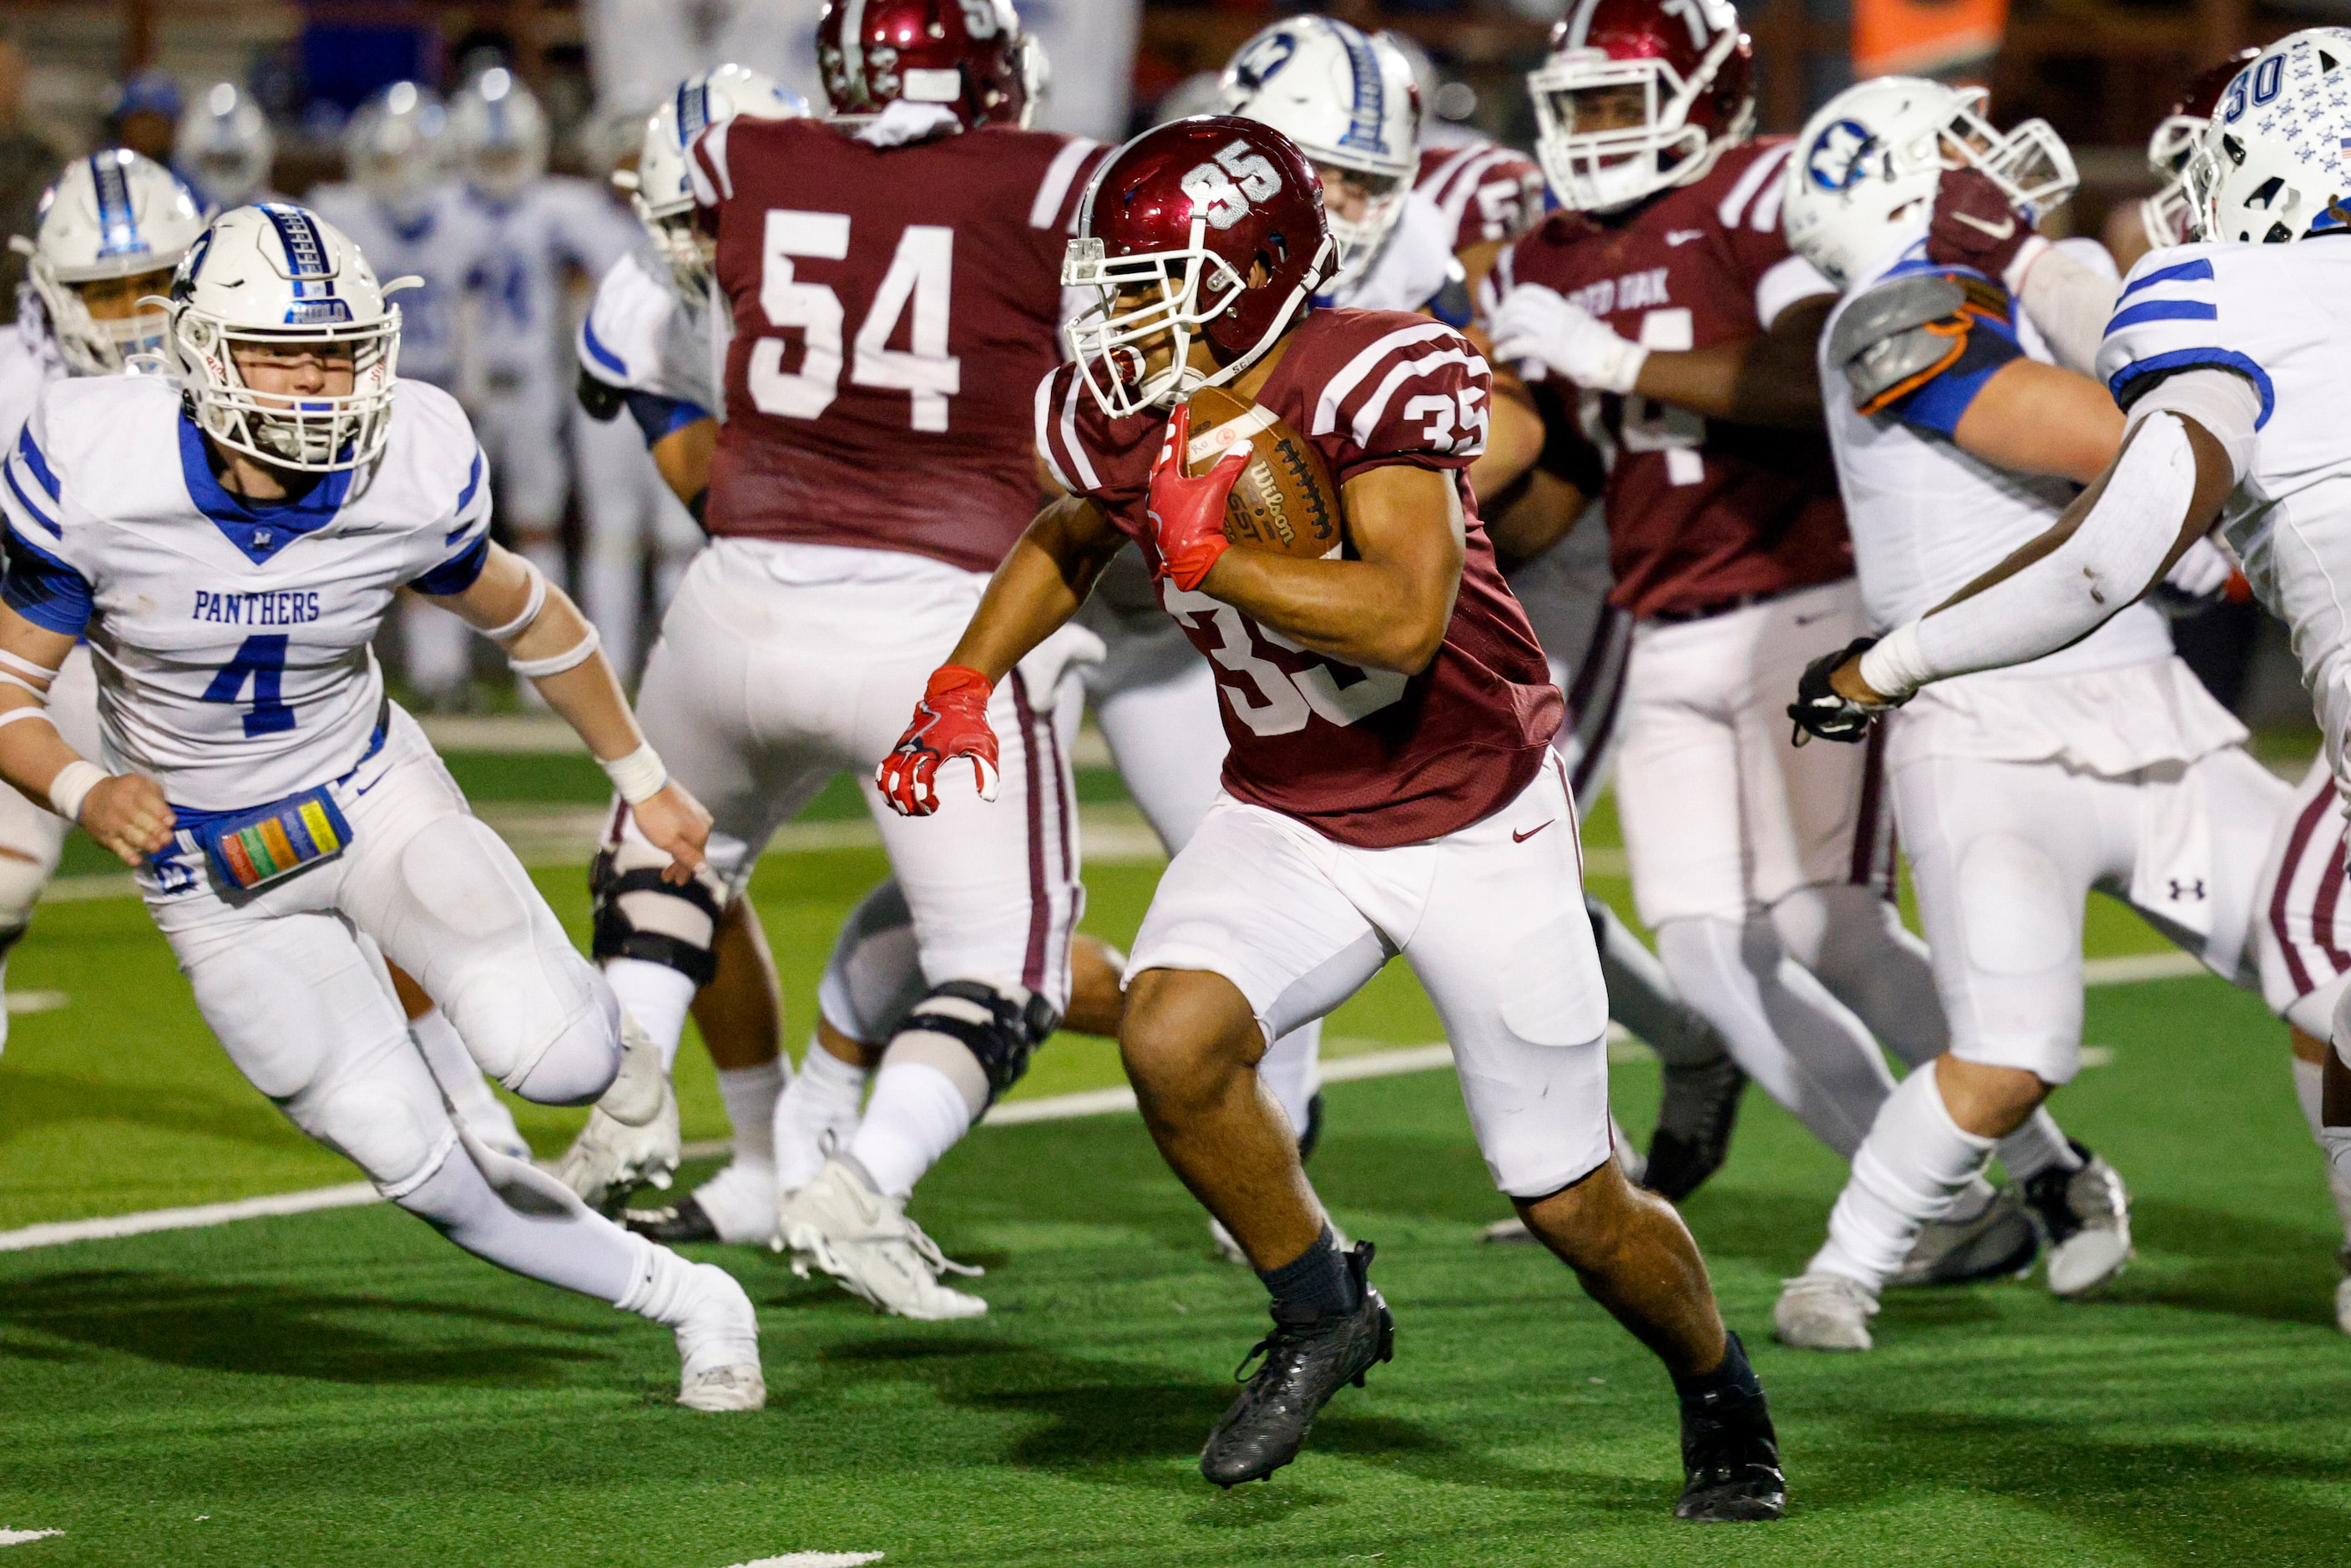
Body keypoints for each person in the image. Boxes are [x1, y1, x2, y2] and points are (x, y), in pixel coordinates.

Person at [888, 111, 1784, 1518]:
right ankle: (1321, 1304)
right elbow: (1072, 524)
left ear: (1243, 277)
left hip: (1473, 820)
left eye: (1145, 281)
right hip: (1293, 812)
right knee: (1169, 1032)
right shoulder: (1120, 401)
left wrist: (1218, 560)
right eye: (1108, 277)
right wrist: (961, 678)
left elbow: (1407, 617)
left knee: (1572, 1205)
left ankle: (1721, 1389)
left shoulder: (1371, 368)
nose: (1113, 312)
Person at [0, 202, 761, 1409]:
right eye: (281, 351)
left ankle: (617, 1038)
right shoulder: (100, 465)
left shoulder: (407, 457)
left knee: (562, 1062)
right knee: (420, 1167)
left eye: (338, 348)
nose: (317, 381)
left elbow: (532, 616)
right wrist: (85, 786)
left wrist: (645, 779)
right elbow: (6, 689)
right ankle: (694, 1297)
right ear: (197, 349)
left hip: (368, 797)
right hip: (212, 876)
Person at [557, 0, 1115, 1323]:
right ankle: (860, 1182)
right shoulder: (1054, 178)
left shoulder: (743, 159)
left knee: (668, 852)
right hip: (937, 618)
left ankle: (631, 1087)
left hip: (733, 597)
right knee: (1008, 962)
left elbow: (675, 358)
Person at [1479, 0, 2053, 1285]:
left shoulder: (1760, 192)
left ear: (1704, 99)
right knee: (1704, 953)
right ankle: (1928, 1208)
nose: (1591, 132)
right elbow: (1578, 470)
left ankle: (2049, 1162)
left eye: (1619, 103)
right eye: (1575, 105)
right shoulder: (1541, 256)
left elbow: (1817, 373)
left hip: (1809, 598)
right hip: (1664, 610)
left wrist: (1615, 353)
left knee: (1833, 931)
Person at [1795, 35, 2351, 1335]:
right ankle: (1847, 1262)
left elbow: (2136, 491)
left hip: (2124, 693)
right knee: (2036, 1035)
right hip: (1999, 732)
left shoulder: (2204, 298)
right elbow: (2112, 426)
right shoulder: (1898, 316)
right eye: (1951, 152)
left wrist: (2063, 268)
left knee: (2321, 964)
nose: (1990, 166)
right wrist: (2063, 268)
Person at [0, 150, 200, 1045]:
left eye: (153, 284)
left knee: (333, 871)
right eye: (105, 291)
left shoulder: (252, 362)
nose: (133, 316)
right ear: (50, 288)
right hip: (46, 660)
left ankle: (462, 1102)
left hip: (207, 664)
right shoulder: (11, 378)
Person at [442, 68, 638, 609]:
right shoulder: (442, 210)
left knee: (538, 525)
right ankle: (444, 669)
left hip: (534, 384)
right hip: (456, 385)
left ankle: (537, 660)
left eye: (510, 153)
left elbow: (616, 265)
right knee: (444, 532)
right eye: (491, 154)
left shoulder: (561, 208)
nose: (502, 166)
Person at [173, 82, 279, 215]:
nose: (222, 168)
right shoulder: (173, 213)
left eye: (231, 162)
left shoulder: (277, 214)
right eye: (214, 161)